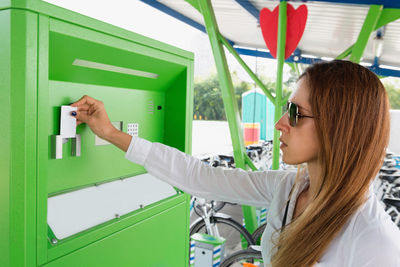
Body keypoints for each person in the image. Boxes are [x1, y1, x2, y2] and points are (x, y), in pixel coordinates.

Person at [71, 60, 400, 267]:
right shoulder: (287, 188)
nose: (280, 123)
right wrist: (111, 133)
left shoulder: (374, 240)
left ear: (338, 127)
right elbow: (200, 177)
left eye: (296, 113)